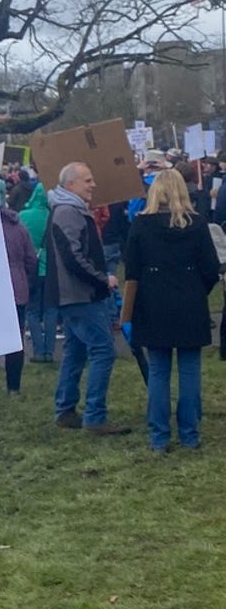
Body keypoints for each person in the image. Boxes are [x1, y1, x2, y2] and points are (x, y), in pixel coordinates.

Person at [123, 169, 220, 452]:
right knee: (190, 370)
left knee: (158, 371)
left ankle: (159, 436)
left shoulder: (141, 225)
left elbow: (132, 270)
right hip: (190, 299)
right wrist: (197, 290)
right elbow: (211, 268)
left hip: (153, 303)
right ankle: (190, 434)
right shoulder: (197, 223)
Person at [45, 161, 131, 435]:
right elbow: (73, 257)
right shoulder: (69, 211)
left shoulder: (67, 208)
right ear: (71, 185)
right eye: (88, 180)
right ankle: (94, 416)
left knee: (76, 351)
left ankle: (66, 410)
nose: (94, 185)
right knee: (103, 350)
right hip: (80, 295)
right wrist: (102, 278)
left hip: (74, 294)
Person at [0, 180, 37, 396]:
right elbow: (31, 259)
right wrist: (22, 276)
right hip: (16, 289)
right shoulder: (18, 227)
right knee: (15, 340)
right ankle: (14, 387)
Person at [20, 181, 58, 362]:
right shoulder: (54, 216)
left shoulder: (23, 216)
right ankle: (50, 351)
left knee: (32, 312)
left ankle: (38, 350)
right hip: (51, 269)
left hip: (31, 269)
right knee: (51, 310)